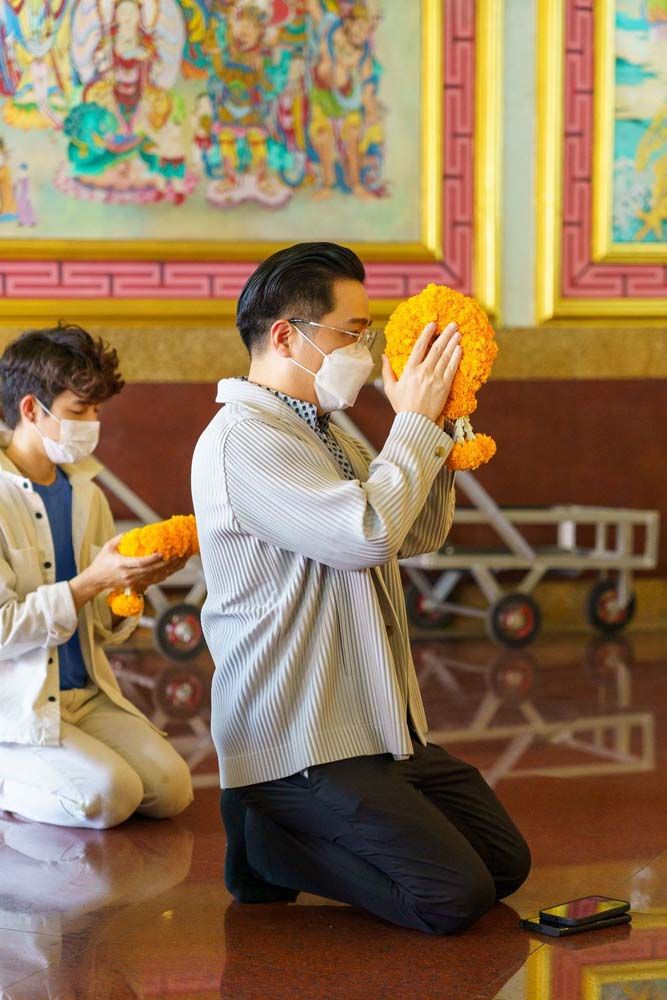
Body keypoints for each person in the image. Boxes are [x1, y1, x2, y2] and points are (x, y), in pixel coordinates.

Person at [191, 242, 530, 934]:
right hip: (300, 735)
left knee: (503, 863)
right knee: (449, 898)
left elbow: (412, 532)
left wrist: (439, 423)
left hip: (371, 725)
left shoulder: (322, 430)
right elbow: (367, 533)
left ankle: (295, 831)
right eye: (352, 333)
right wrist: (412, 424)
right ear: (286, 336)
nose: (365, 353)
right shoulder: (244, 438)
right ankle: (268, 844)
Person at [0, 323, 194, 829]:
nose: (92, 424)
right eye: (79, 411)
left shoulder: (87, 493)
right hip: (17, 707)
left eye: (97, 411)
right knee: (111, 796)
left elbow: (103, 630)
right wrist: (89, 582)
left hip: (86, 695)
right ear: (30, 409)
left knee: (172, 789)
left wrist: (132, 585)